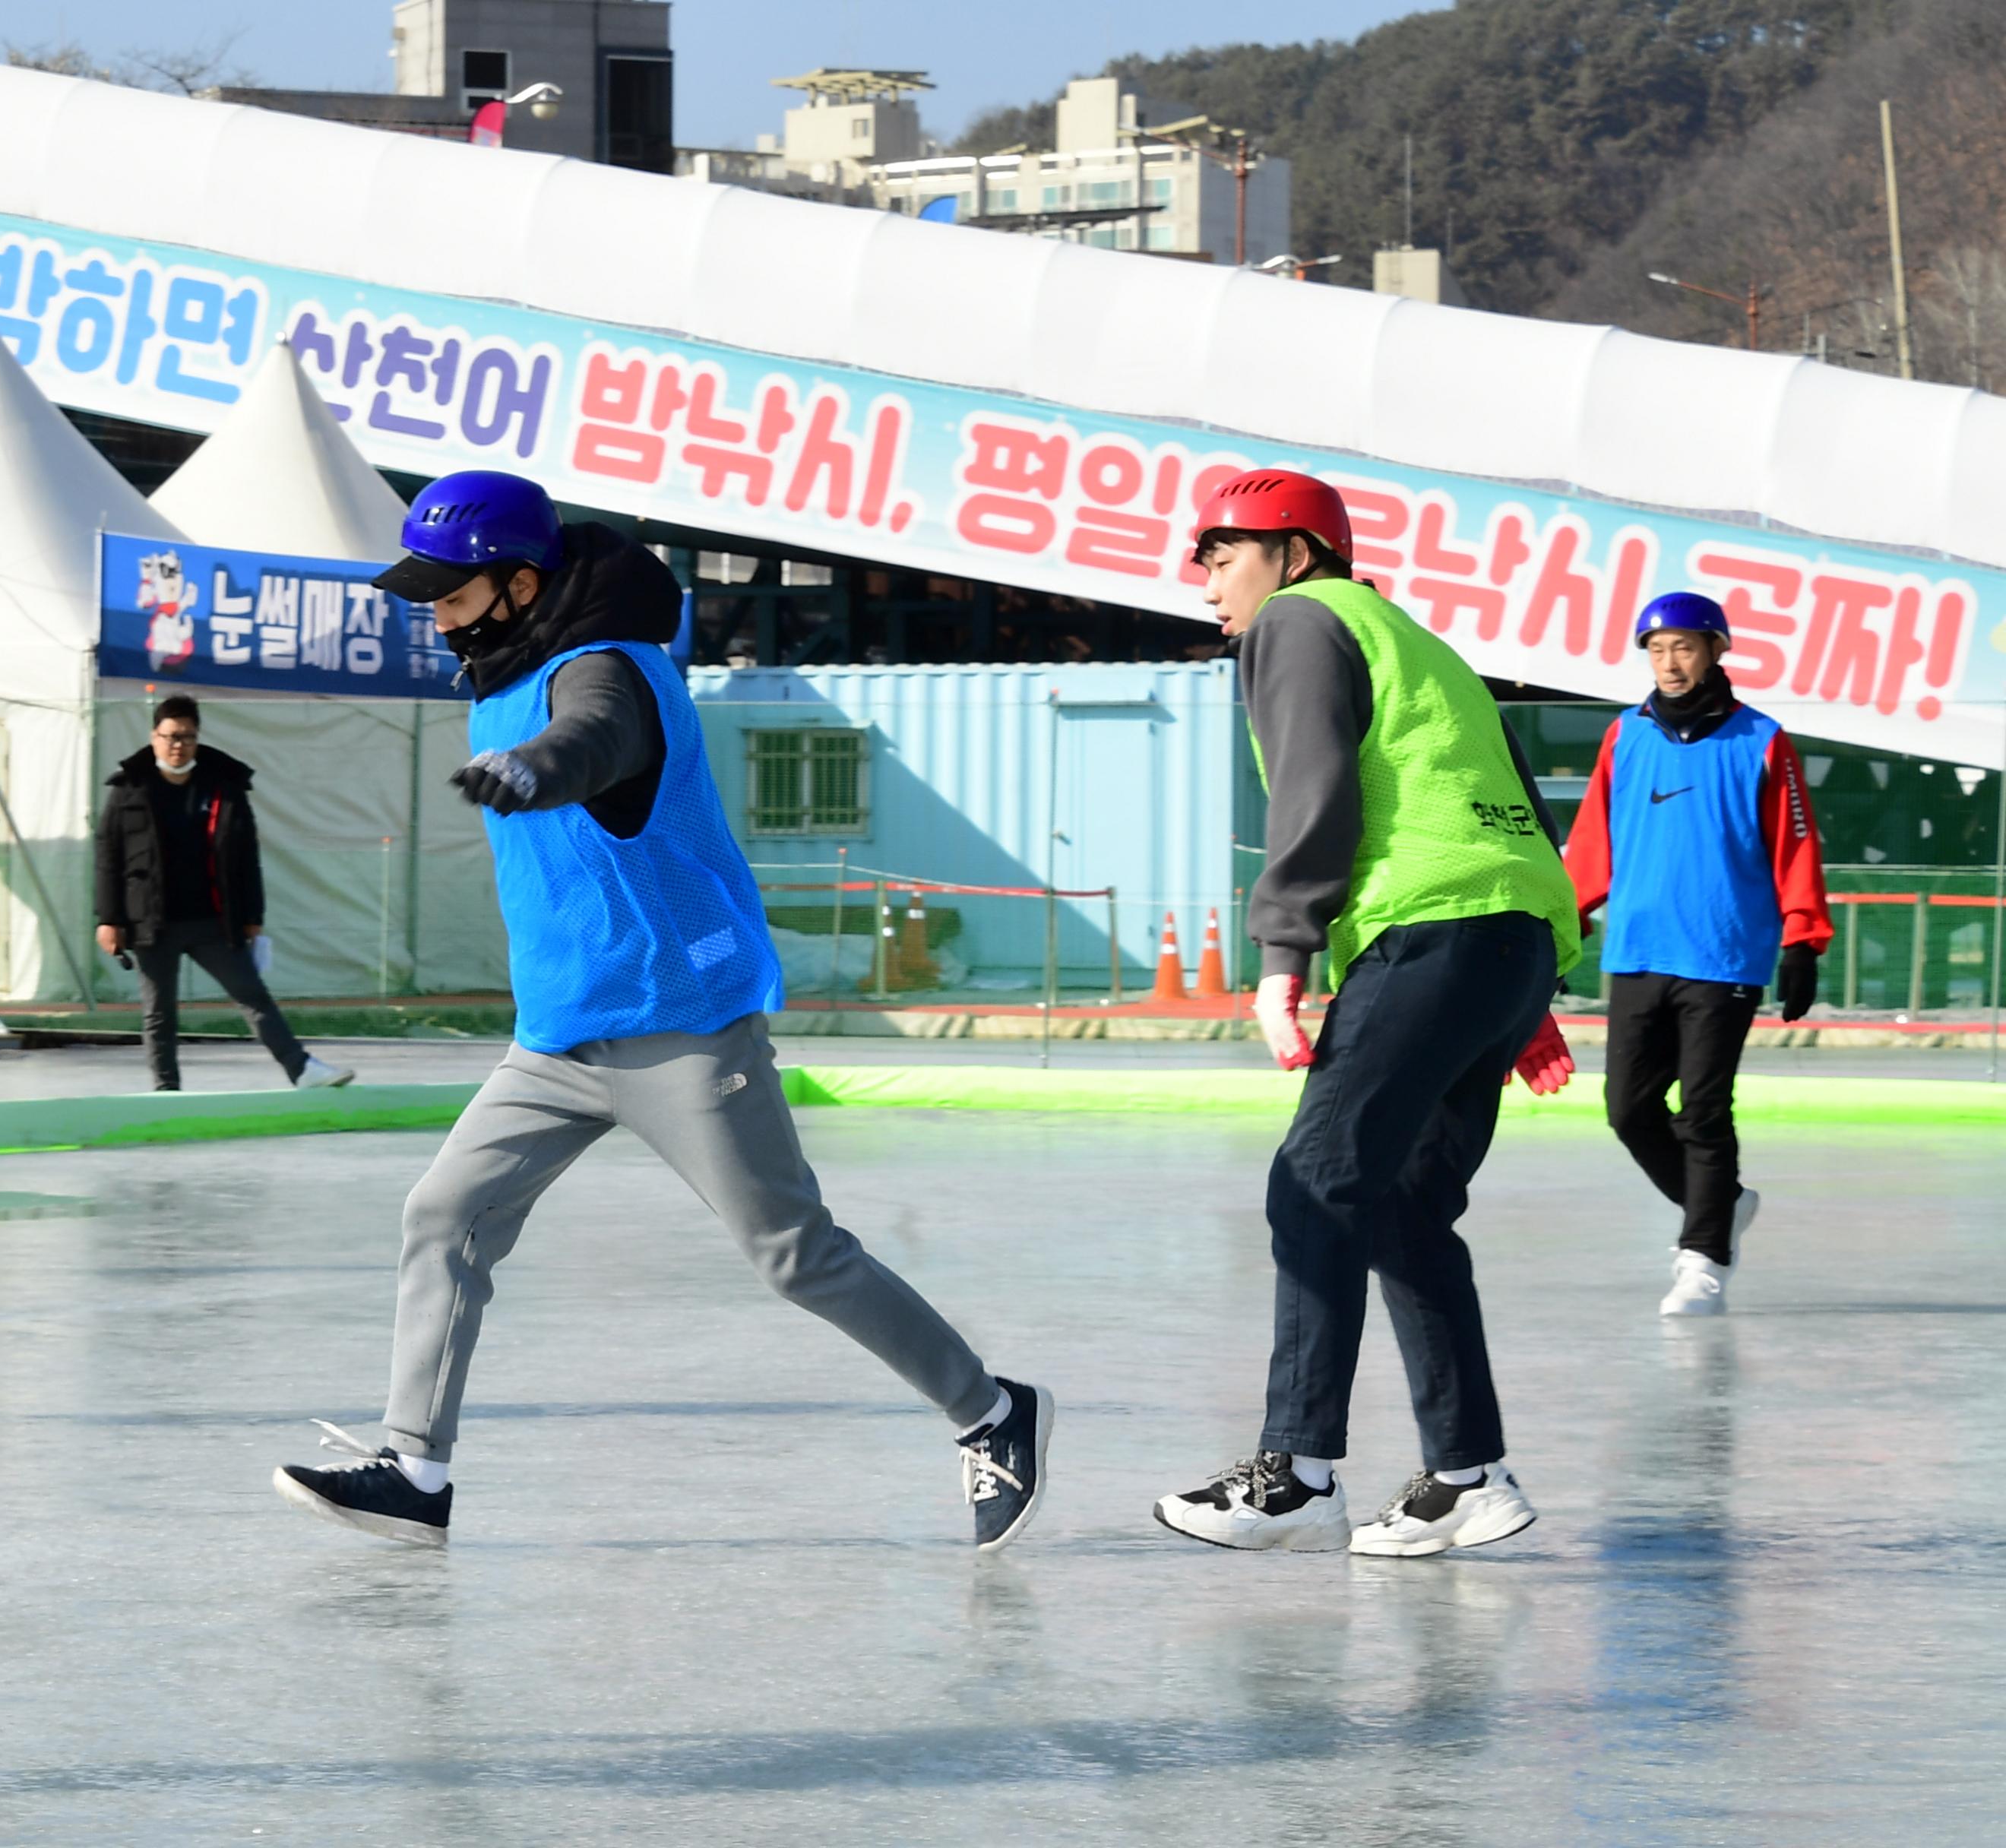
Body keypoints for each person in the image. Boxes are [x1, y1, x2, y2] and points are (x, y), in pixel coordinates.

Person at [272, 470, 1050, 1552]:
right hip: (557, 1039)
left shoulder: (607, 669)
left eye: (451, 593)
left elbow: (594, 739)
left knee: (795, 1253)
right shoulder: (502, 676)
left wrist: (538, 770)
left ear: (521, 581)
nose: (435, 614)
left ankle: (993, 1411)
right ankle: (417, 1469)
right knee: (444, 1216)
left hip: (680, 1026)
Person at [1151, 468, 1580, 1560]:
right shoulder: (1418, 641)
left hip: (1429, 929)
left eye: (1222, 554)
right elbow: (1518, 803)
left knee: (1317, 1182)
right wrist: (1527, 998)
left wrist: (1283, 948)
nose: (1205, 580)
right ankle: (1466, 1476)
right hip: (1506, 939)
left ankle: (1294, 1471)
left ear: (1293, 556)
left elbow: (1314, 786)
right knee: (1399, 1208)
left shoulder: (1300, 620)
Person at [1562, 591, 1832, 1318]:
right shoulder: (1626, 735)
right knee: (1628, 1109)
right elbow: (1593, 840)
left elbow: (1795, 845)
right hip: (1639, 950)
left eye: (1684, 647)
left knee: (1704, 1111)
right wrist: (1565, 920)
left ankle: (1703, 1260)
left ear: (1716, 650)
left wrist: (1804, 937)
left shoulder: (1763, 741)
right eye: (1656, 649)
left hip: (1723, 954)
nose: (1669, 662)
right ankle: (1720, 1205)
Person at [93, 694, 352, 1091]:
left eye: (188, 737)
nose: (178, 745)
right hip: (151, 922)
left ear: (198, 738)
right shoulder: (129, 788)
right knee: (158, 1011)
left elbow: (247, 857)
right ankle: (166, 1090)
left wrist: (253, 919)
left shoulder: (224, 786)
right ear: (154, 736)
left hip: (213, 921)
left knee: (253, 995)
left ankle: (302, 1070)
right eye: (171, 736)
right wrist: (108, 919)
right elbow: (108, 857)